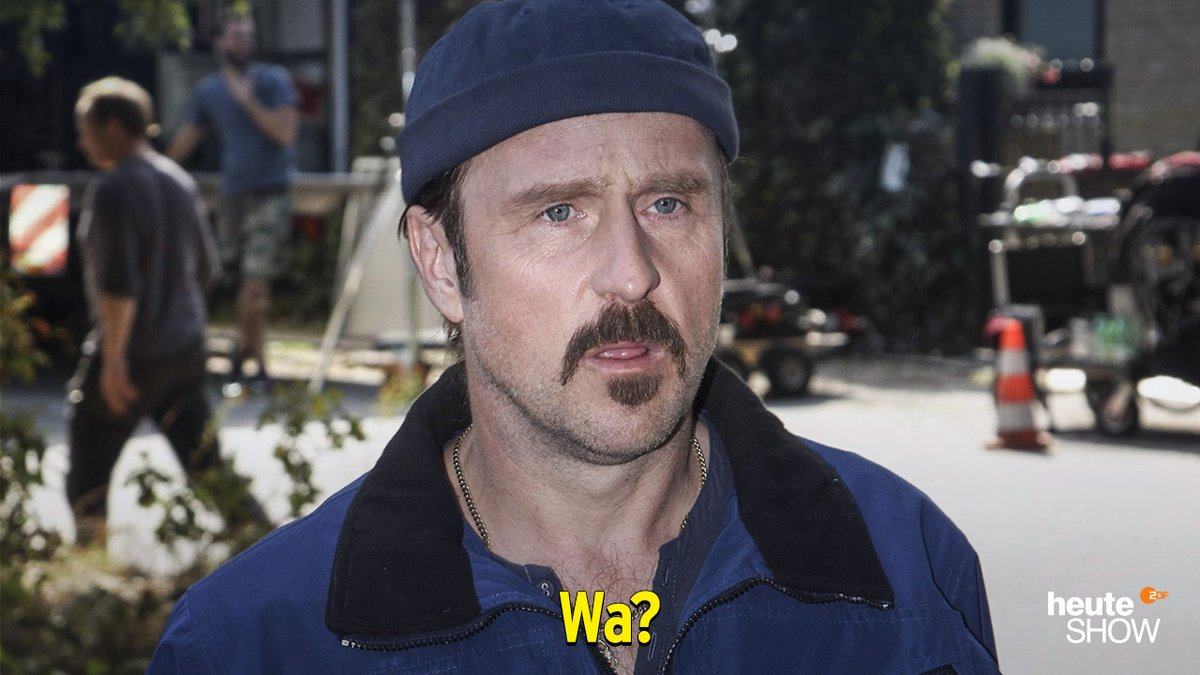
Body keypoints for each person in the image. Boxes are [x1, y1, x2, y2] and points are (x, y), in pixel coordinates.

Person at [150, 1, 999, 672]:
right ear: (440, 261)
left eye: (668, 203)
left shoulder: (910, 573)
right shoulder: (256, 643)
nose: (631, 273)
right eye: (559, 211)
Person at [67, 77, 268, 547]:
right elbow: (207, 270)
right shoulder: (178, 180)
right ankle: (263, 542)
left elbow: (119, 285)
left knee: (88, 460)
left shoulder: (115, 188)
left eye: (85, 129)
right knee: (206, 465)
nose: (81, 142)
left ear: (113, 125)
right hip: (183, 350)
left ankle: (89, 558)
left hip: (134, 354)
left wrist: (113, 360)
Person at [168, 9, 298, 393]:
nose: (244, 42)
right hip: (232, 196)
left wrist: (247, 101)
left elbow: (285, 133)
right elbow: (188, 137)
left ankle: (246, 360)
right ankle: (251, 361)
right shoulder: (208, 90)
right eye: (236, 35)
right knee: (238, 284)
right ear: (219, 42)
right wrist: (152, 168)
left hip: (270, 192)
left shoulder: (272, 79)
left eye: (248, 35)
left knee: (255, 283)